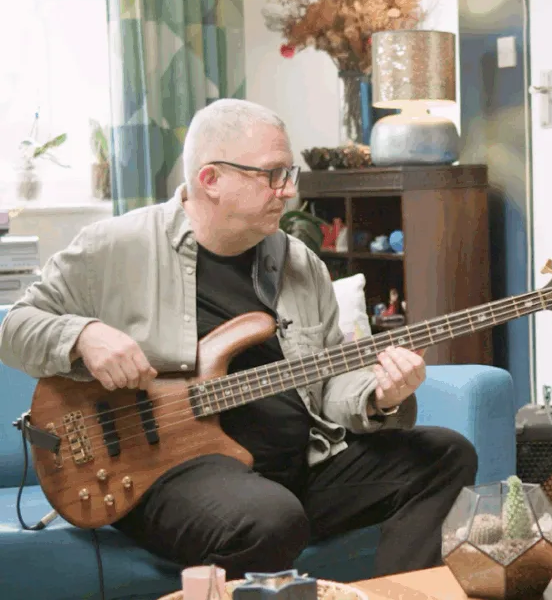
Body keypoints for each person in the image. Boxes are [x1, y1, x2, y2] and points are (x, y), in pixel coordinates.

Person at [0, 98, 478, 579]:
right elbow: (14, 329)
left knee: (446, 455)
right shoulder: (115, 246)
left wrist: (379, 396)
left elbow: (332, 378)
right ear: (210, 179)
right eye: (272, 175)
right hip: (165, 472)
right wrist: (84, 334)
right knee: (268, 519)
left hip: (298, 463)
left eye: (288, 174)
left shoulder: (298, 263)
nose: (288, 192)